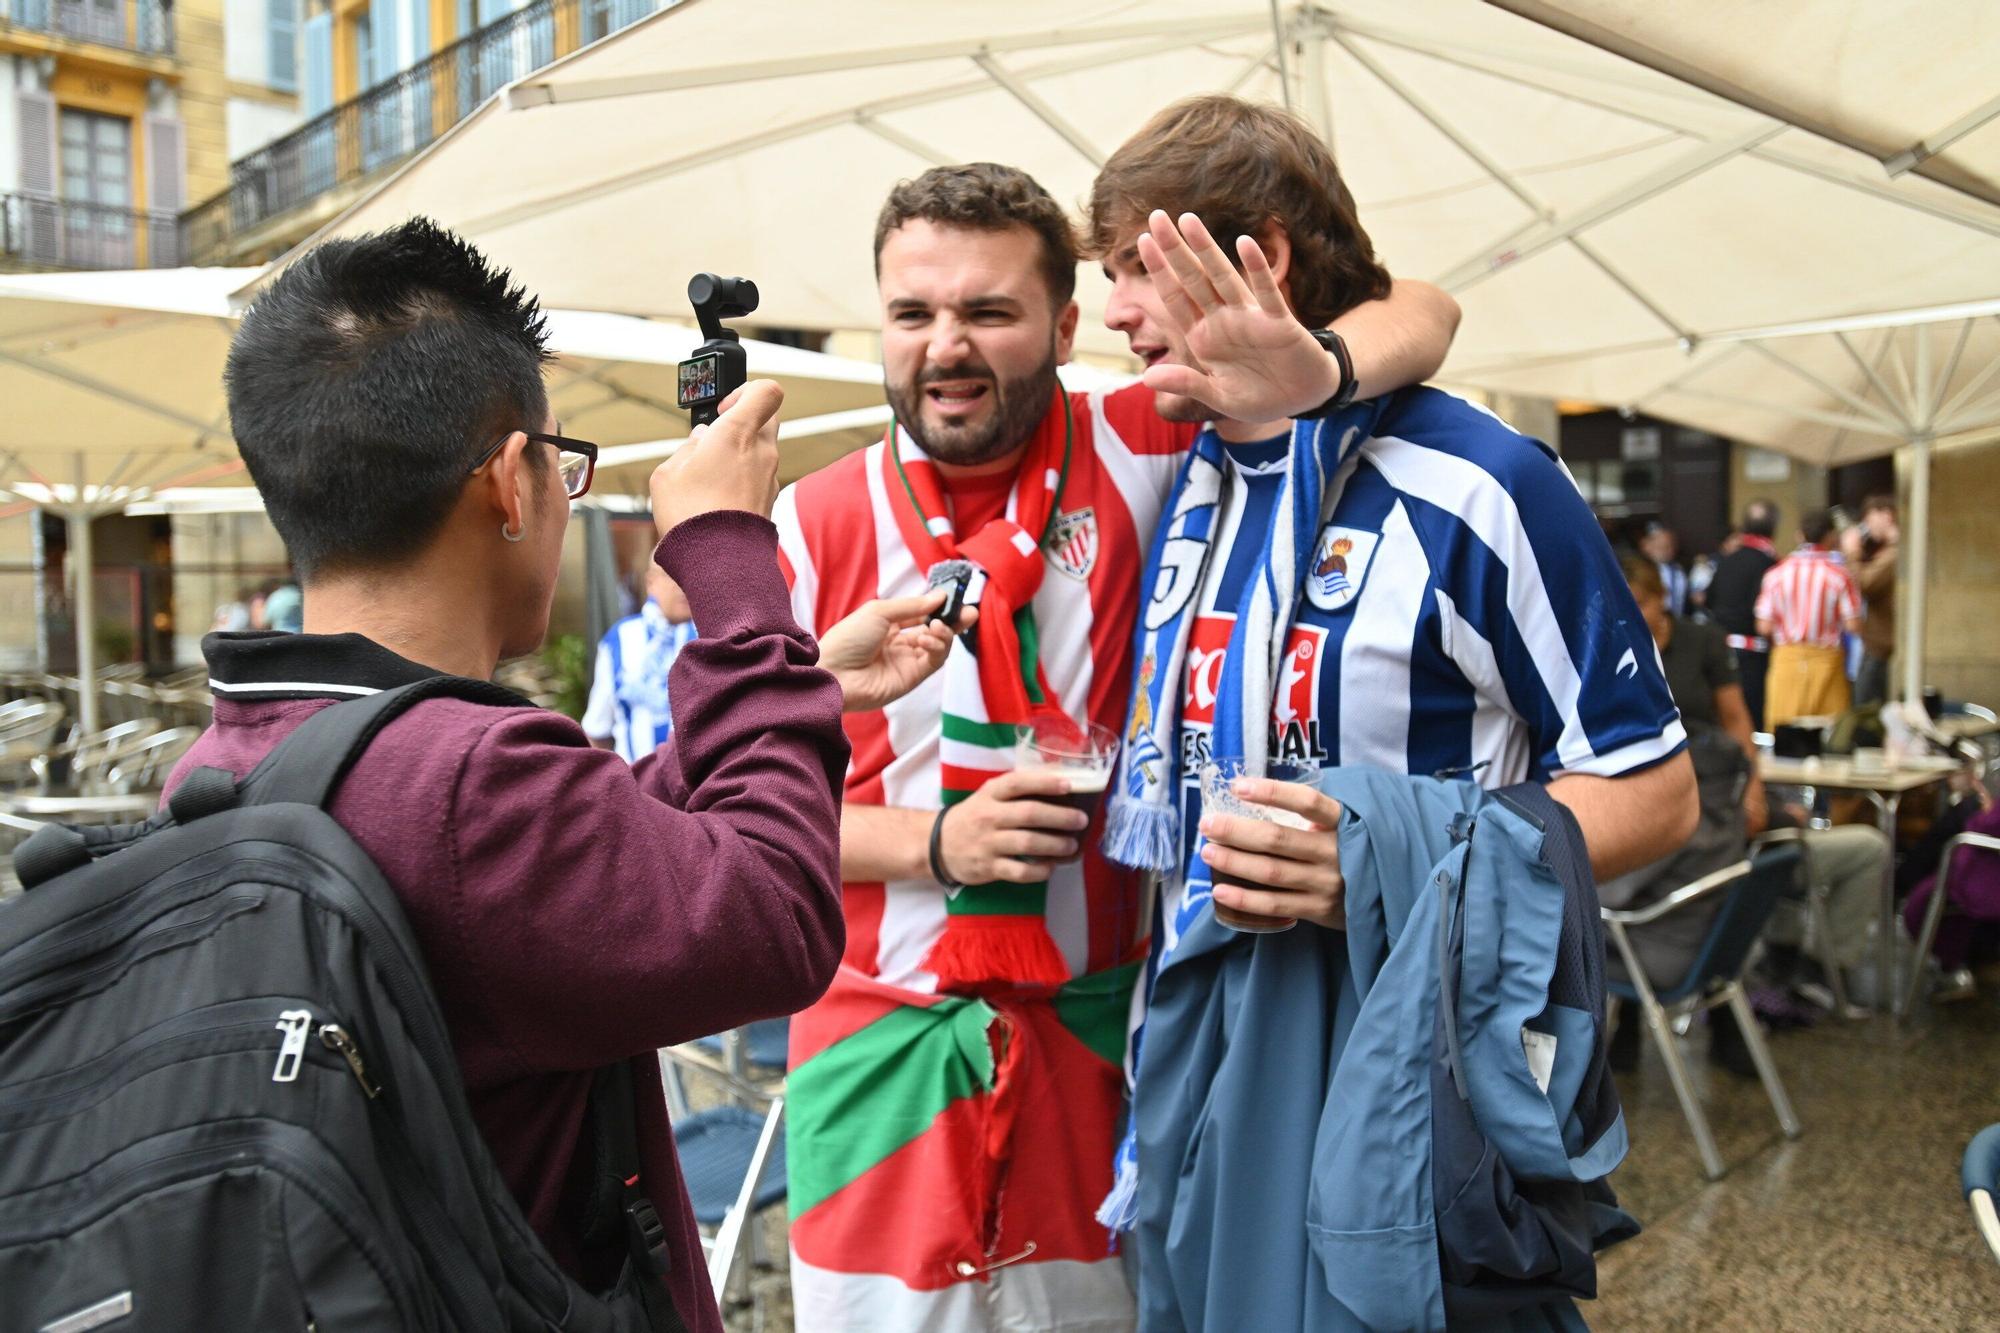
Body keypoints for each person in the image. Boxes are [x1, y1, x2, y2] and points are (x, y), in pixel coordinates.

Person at [164, 218, 964, 1333]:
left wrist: (802, 683)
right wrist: (733, 554)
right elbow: (775, 916)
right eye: (559, 460)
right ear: (508, 482)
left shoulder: (229, 755)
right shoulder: (466, 782)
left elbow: (579, 852)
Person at [770, 161, 1459, 1329]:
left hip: (1099, 1042)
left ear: (1066, 324)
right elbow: (727, 814)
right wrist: (937, 842)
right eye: (911, 313)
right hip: (874, 1050)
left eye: (988, 312)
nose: (945, 346)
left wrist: (1318, 369)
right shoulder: (809, 520)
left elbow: (1424, 309)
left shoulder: (1148, 443)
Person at [1085, 96, 1696, 1330]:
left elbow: (1654, 792)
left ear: (1258, 254)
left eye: (1135, 270)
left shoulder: (1480, 485)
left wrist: (1370, 855)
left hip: (1420, 1093)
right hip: (1195, 1079)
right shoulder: (1170, 465)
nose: (1112, 313)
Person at [1607, 557, 1885, 1070]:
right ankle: (1674, 1013)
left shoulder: (1701, 642)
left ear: (1660, 598)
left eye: (1639, 603)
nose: (1631, 614)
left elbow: (1737, 717)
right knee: (1660, 878)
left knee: (1732, 869)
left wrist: (1755, 789)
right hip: (1651, 789)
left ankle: (1735, 997)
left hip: (1716, 786)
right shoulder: (1610, 645)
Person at [1757, 507, 1862, 729]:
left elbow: (1764, 626)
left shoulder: (1776, 574)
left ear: (1799, 535)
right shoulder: (1839, 576)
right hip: (1827, 662)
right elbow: (1853, 624)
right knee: (1829, 732)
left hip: (1787, 659)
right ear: (1831, 536)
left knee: (1784, 732)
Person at [582, 561, 697, 760]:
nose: (682, 585)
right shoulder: (620, 638)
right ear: (650, 581)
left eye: (690, 575)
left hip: (699, 787)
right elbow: (597, 729)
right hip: (632, 783)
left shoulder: (713, 637)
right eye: (672, 575)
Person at [1706, 500, 1781, 724]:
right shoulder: (1770, 564)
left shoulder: (1726, 561)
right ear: (1774, 527)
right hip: (1754, 653)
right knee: (1752, 718)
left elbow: (1709, 599)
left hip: (1721, 648)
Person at [1844, 494, 1899, 705]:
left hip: (1881, 647)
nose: (1865, 528)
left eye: (1869, 520)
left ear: (1886, 516)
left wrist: (1852, 552)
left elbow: (1863, 584)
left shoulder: (1894, 554)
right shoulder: (1887, 551)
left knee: (1865, 707)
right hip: (1876, 644)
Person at [1640, 519, 1688, 616]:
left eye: (1670, 546)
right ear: (1646, 546)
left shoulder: (1680, 570)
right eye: (1661, 546)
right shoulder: (1642, 571)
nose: (1667, 551)